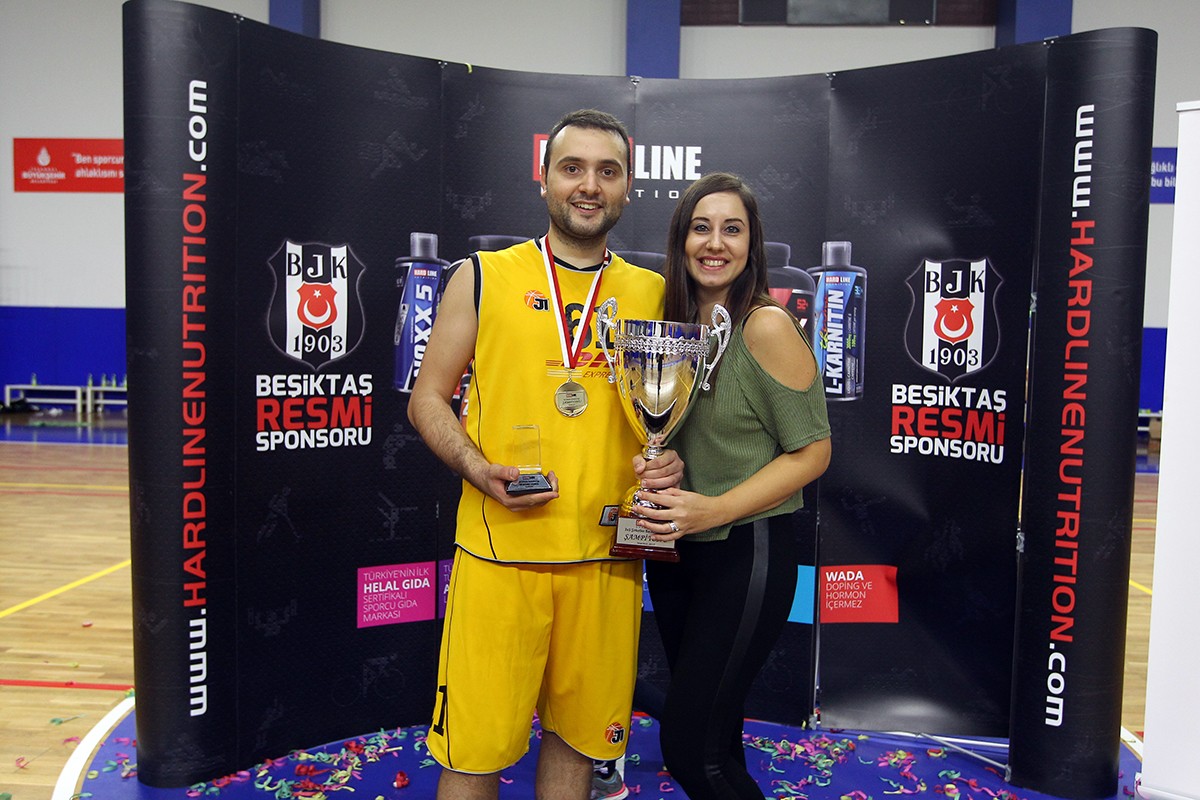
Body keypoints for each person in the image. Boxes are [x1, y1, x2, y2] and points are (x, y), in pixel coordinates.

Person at [407, 108, 681, 800]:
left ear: (627, 187)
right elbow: (427, 398)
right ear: (544, 179)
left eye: (607, 171)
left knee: (577, 746)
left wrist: (670, 462)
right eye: (572, 168)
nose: (589, 185)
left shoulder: (652, 294)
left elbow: (665, 418)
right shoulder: (481, 276)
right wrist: (477, 468)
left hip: (605, 560)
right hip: (501, 557)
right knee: (473, 753)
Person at [633, 172, 832, 799]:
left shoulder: (763, 326)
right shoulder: (672, 326)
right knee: (716, 743)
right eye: (701, 228)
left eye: (732, 229)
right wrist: (660, 464)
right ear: (681, 240)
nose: (715, 243)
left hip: (746, 553)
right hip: (676, 553)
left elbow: (814, 451)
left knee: (691, 752)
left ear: (752, 244)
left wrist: (714, 508)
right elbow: (682, 436)